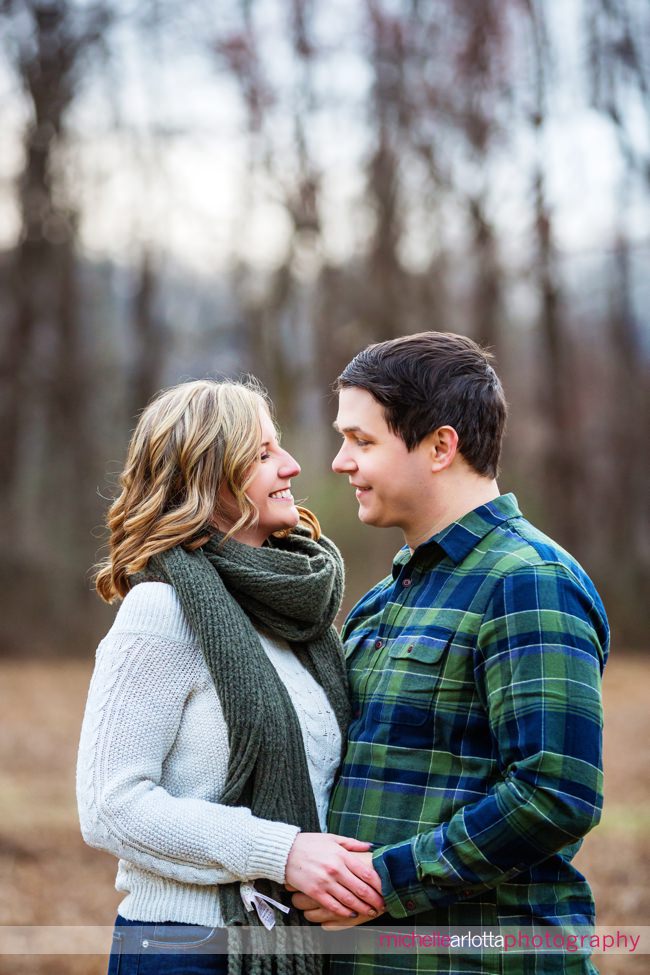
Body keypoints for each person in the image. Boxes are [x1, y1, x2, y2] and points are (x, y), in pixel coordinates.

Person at [293, 332, 609, 975]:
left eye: (362, 440)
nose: (339, 462)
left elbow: (556, 792)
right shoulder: (386, 595)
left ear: (440, 446)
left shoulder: (527, 580)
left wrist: (388, 881)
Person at [76, 378, 384, 975]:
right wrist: (282, 852)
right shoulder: (161, 611)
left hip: (291, 940)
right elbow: (110, 806)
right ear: (205, 478)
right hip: (184, 947)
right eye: (264, 454)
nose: (293, 466)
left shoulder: (301, 619)